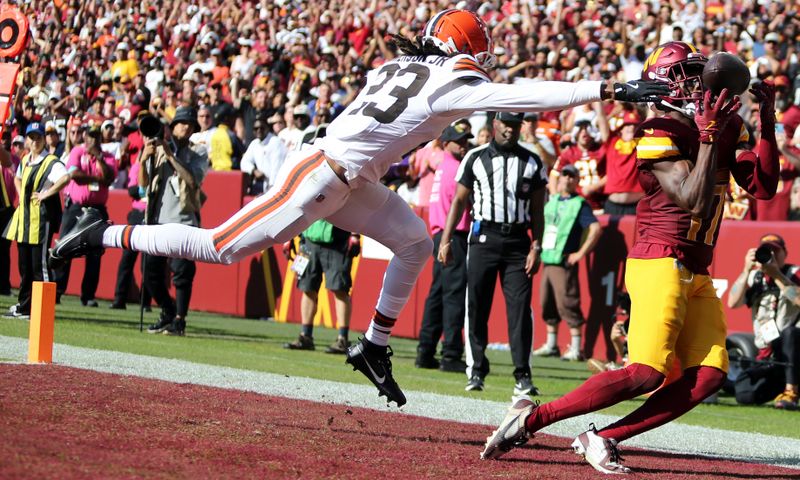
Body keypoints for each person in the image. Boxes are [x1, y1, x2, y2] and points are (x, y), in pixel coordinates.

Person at [50, 9, 667, 407]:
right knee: (222, 247)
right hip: (322, 175)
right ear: (468, 53)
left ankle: (372, 344)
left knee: (415, 242)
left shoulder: (404, 64)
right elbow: (518, 95)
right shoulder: (453, 80)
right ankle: (103, 231)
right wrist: (608, 87)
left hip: (347, 177)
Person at [480, 41, 779, 474]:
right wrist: (711, 134)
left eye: (699, 73)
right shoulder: (658, 131)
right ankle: (531, 419)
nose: (698, 84)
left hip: (696, 266)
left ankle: (602, 437)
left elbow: (764, 187)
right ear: (664, 85)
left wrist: (766, 123)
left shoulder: (724, 125)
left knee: (710, 375)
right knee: (645, 373)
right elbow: (693, 200)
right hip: (659, 259)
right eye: (686, 76)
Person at [439, 111, 547, 396]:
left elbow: (538, 210)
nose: (510, 130)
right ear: (494, 124)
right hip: (484, 237)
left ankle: (523, 374)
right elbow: (460, 200)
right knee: (476, 304)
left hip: (518, 241)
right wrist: (446, 239)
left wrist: (537, 246)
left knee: (520, 309)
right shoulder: (475, 157)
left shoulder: (532, 161)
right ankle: (476, 370)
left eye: (515, 125)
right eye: (506, 124)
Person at [138, 107, 207, 336]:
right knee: (150, 273)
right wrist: (143, 160)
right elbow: (143, 184)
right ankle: (167, 310)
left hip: (184, 220)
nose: (185, 127)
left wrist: (170, 155)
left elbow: (192, 180)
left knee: (182, 273)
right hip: (157, 219)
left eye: (189, 124)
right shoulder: (156, 150)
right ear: (173, 126)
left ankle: (179, 319)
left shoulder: (199, 152)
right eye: (181, 123)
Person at [415, 124, 472, 372]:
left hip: (439, 235)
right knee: (453, 295)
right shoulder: (458, 169)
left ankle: (425, 351)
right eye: (459, 141)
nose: (464, 144)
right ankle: (450, 354)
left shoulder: (442, 168)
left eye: (465, 140)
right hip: (454, 237)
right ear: (446, 143)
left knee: (437, 295)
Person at [533, 164, 601, 362]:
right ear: (560, 178)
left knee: (568, 302)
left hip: (564, 260)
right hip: (547, 257)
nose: (568, 179)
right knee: (547, 302)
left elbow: (595, 229)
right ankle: (551, 344)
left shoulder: (580, 204)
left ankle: (575, 347)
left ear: (577, 181)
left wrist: (580, 253)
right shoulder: (552, 200)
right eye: (565, 175)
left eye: (572, 177)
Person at [4, 123, 70, 318]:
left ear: (43, 139)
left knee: (39, 266)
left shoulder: (50, 161)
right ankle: (25, 306)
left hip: (41, 220)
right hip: (25, 219)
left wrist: (46, 194)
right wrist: (21, 193)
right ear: (27, 139)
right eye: (31, 137)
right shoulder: (25, 160)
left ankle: (43, 309)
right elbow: (17, 178)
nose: (34, 141)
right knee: (24, 266)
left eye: (38, 137)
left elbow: (65, 178)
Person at [728, 233, 800, 410]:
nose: (771, 256)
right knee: (744, 394)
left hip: (793, 350)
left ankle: (791, 391)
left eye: (776, 251)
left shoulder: (794, 274)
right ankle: (782, 388)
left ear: (785, 253)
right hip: (769, 356)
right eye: (767, 251)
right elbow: (732, 303)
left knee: (790, 333)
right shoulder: (755, 277)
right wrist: (746, 270)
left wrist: (776, 275)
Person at [54, 125, 116, 306]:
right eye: (90, 136)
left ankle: (88, 295)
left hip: (97, 209)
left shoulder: (108, 156)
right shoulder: (76, 151)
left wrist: (99, 158)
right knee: (65, 247)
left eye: (96, 137)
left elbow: (110, 177)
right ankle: (57, 289)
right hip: (76, 206)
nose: (93, 141)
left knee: (95, 253)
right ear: (85, 136)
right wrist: (98, 179)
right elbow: (75, 175)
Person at [282, 220, 360, 354]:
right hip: (308, 240)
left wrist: (355, 235)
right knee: (307, 288)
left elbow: (354, 204)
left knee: (340, 289)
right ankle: (305, 336)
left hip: (338, 241)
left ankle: (343, 339)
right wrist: (288, 236)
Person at [240, 115, 288, 195]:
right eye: (256, 129)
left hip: (274, 187)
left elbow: (276, 168)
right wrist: (253, 170)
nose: (259, 130)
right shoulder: (254, 143)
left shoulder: (276, 142)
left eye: (262, 128)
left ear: (267, 128)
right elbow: (244, 162)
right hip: (260, 185)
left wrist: (271, 190)